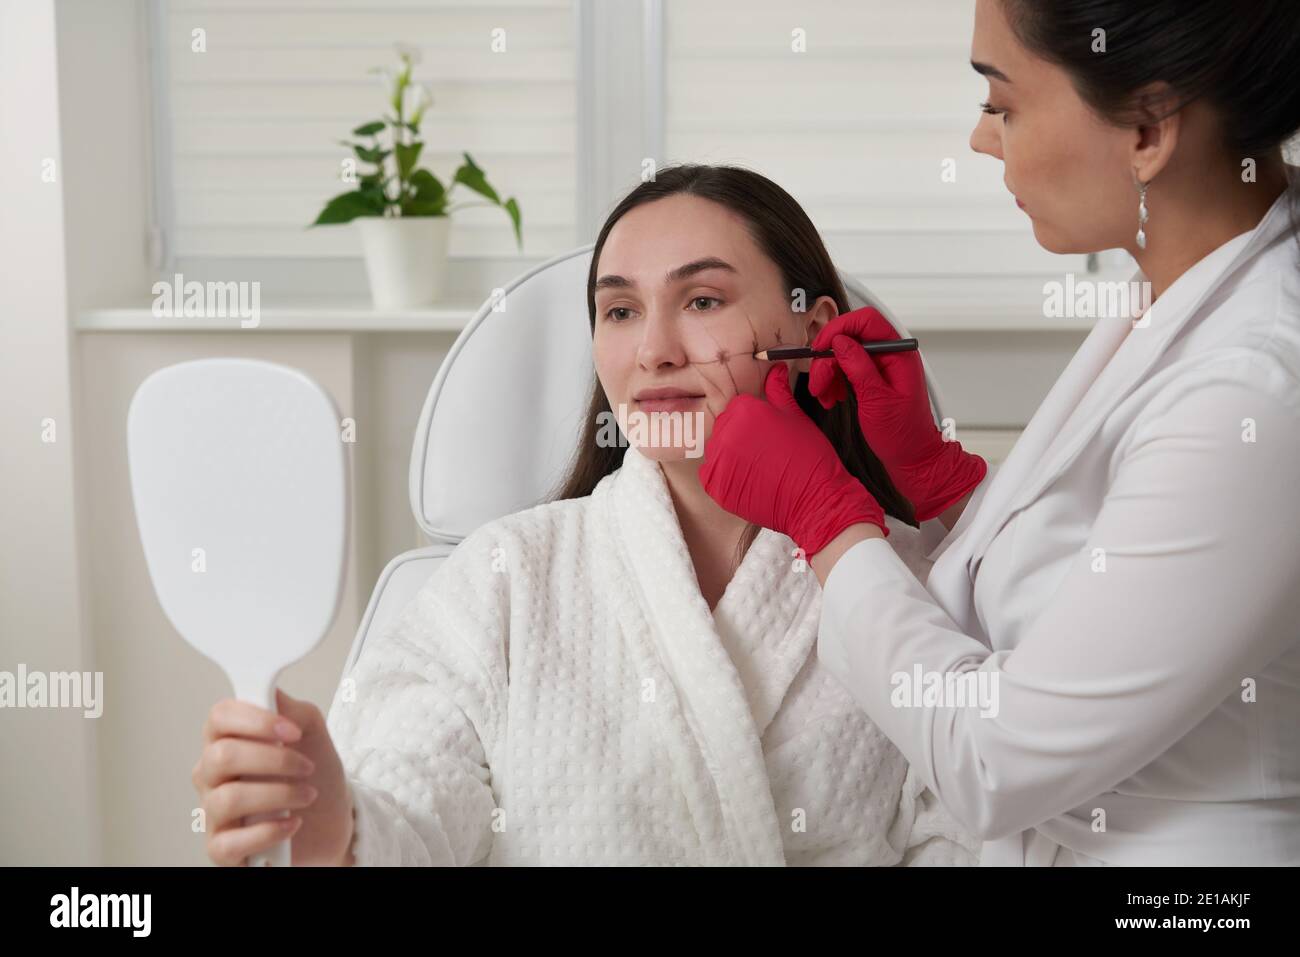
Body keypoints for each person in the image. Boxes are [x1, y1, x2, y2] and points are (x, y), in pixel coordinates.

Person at [191, 164, 978, 866]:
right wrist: (333, 824)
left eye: (702, 300)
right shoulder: (507, 575)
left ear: (811, 328)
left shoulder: (900, 586)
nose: (655, 351)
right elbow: (412, 809)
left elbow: (980, 824)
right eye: (620, 311)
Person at [699, 0, 1300, 865]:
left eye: (1003, 103)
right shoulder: (1178, 291)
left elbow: (995, 758)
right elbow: (1098, 585)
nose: (982, 141)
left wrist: (824, 515)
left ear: (1145, 129)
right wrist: (943, 483)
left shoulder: (1253, 392)